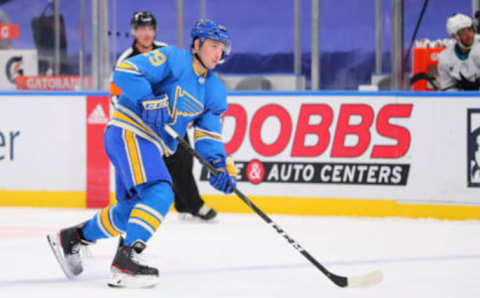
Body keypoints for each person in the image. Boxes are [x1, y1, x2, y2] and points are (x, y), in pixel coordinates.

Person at [47, 18, 237, 288]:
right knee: (160, 192)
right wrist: (148, 98)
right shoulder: (173, 58)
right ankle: (125, 262)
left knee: (130, 211)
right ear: (197, 44)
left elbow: (208, 135)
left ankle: (73, 238)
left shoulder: (215, 90)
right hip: (130, 131)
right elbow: (126, 71)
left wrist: (218, 165)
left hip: (148, 144)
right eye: (213, 46)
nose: (219, 53)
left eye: (223, 48)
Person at [111, 11, 218, 221]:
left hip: (171, 120)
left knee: (184, 160)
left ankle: (185, 205)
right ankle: (189, 205)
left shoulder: (166, 52)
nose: (146, 33)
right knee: (147, 166)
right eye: (142, 29)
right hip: (141, 125)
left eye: (150, 28)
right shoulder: (126, 60)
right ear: (134, 31)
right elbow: (115, 96)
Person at [437, 13, 480, 90]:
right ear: (454, 36)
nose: (469, 35)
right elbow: (447, 87)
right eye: (463, 32)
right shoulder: (445, 58)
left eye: (470, 29)